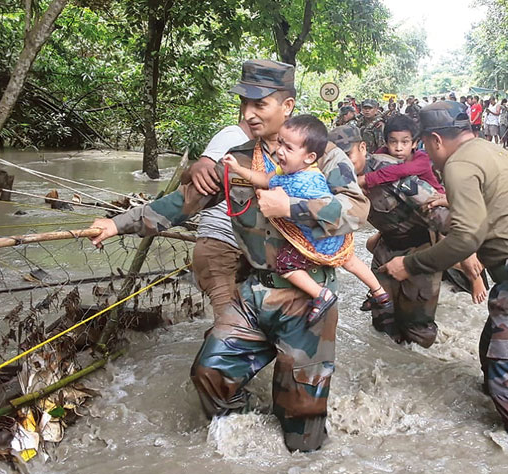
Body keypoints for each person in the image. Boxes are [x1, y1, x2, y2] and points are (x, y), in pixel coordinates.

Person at [89, 60, 369, 453]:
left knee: (301, 422)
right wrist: (118, 224)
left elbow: (356, 211)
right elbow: (180, 204)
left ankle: (295, 456)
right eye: (243, 103)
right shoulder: (237, 160)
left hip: (307, 302)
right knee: (211, 372)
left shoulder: (321, 155)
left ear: (287, 106)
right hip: (254, 293)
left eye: (260, 104)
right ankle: (252, 436)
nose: (248, 114)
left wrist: (292, 208)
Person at [380, 101, 508, 461]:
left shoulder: (458, 164)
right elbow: (492, 208)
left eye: (424, 144)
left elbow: (465, 240)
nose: (427, 154)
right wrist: (452, 201)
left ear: (435, 139)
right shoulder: (489, 149)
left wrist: (410, 264)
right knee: (492, 351)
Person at [221, 115, 389, 327]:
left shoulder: (300, 181)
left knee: (286, 264)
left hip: (314, 241)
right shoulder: (301, 170)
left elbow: (338, 206)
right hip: (336, 239)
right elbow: (264, 178)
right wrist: (237, 168)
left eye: (288, 148)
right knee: (350, 260)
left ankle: (321, 294)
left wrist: (285, 206)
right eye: (280, 143)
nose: (279, 151)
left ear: (309, 157)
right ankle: (380, 292)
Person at [327, 124, 451, 348]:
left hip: (419, 248)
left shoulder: (392, 173)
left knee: (418, 331)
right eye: (334, 158)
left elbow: (445, 218)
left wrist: (466, 253)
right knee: (382, 322)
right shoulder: (334, 178)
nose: (341, 164)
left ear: (363, 148)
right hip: (386, 247)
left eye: (347, 156)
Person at [190, 116, 251, 321]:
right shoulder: (232, 136)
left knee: (242, 322)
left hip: (240, 249)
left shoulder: (258, 147)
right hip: (219, 244)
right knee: (230, 326)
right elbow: (202, 173)